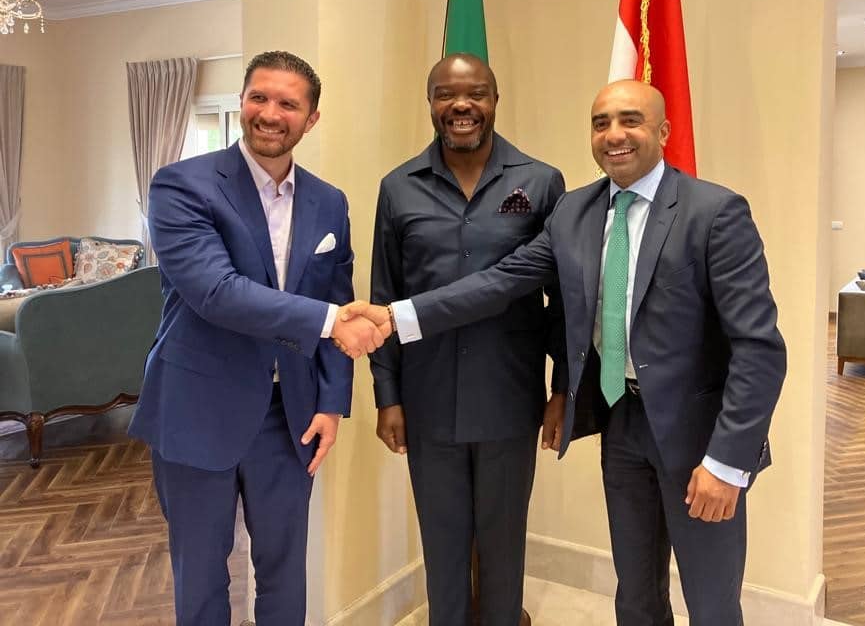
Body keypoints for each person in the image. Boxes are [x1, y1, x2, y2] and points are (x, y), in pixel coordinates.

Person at [346, 80, 786, 626]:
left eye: (630, 120)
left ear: (663, 132)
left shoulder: (714, 211)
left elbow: (759, 349)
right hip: (621, 423)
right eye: (601, 123)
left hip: (698, 437)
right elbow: (501, 281)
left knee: (712, 603)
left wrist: (726, 463)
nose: (614, 135)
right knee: (636, 595)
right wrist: (398, 317)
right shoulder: (575, 212)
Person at [129, 50, 385, 626]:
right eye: (258, 98)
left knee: (285, 573)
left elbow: (337, 298)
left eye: (288, 104)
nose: (270, 113)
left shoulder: (329, 202)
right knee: (200, 576)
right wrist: (331, 320)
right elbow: (217, 292)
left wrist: (330, 403)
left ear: (310, 119)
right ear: (242, 102)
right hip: (195, 410)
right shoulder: (181, 185)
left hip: (288, 418)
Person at [370, 53, 567, 626]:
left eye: (476, 93)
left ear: (495, 100)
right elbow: (385, 296)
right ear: (430, 102)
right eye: (446, 94)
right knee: (442, 542)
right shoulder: (397, 188)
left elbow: (563, 300)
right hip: (427, 398)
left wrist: (562, 391)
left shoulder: (541, 182)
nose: (461, 105)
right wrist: (388, 396)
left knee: (505, 542)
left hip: (510, 397)